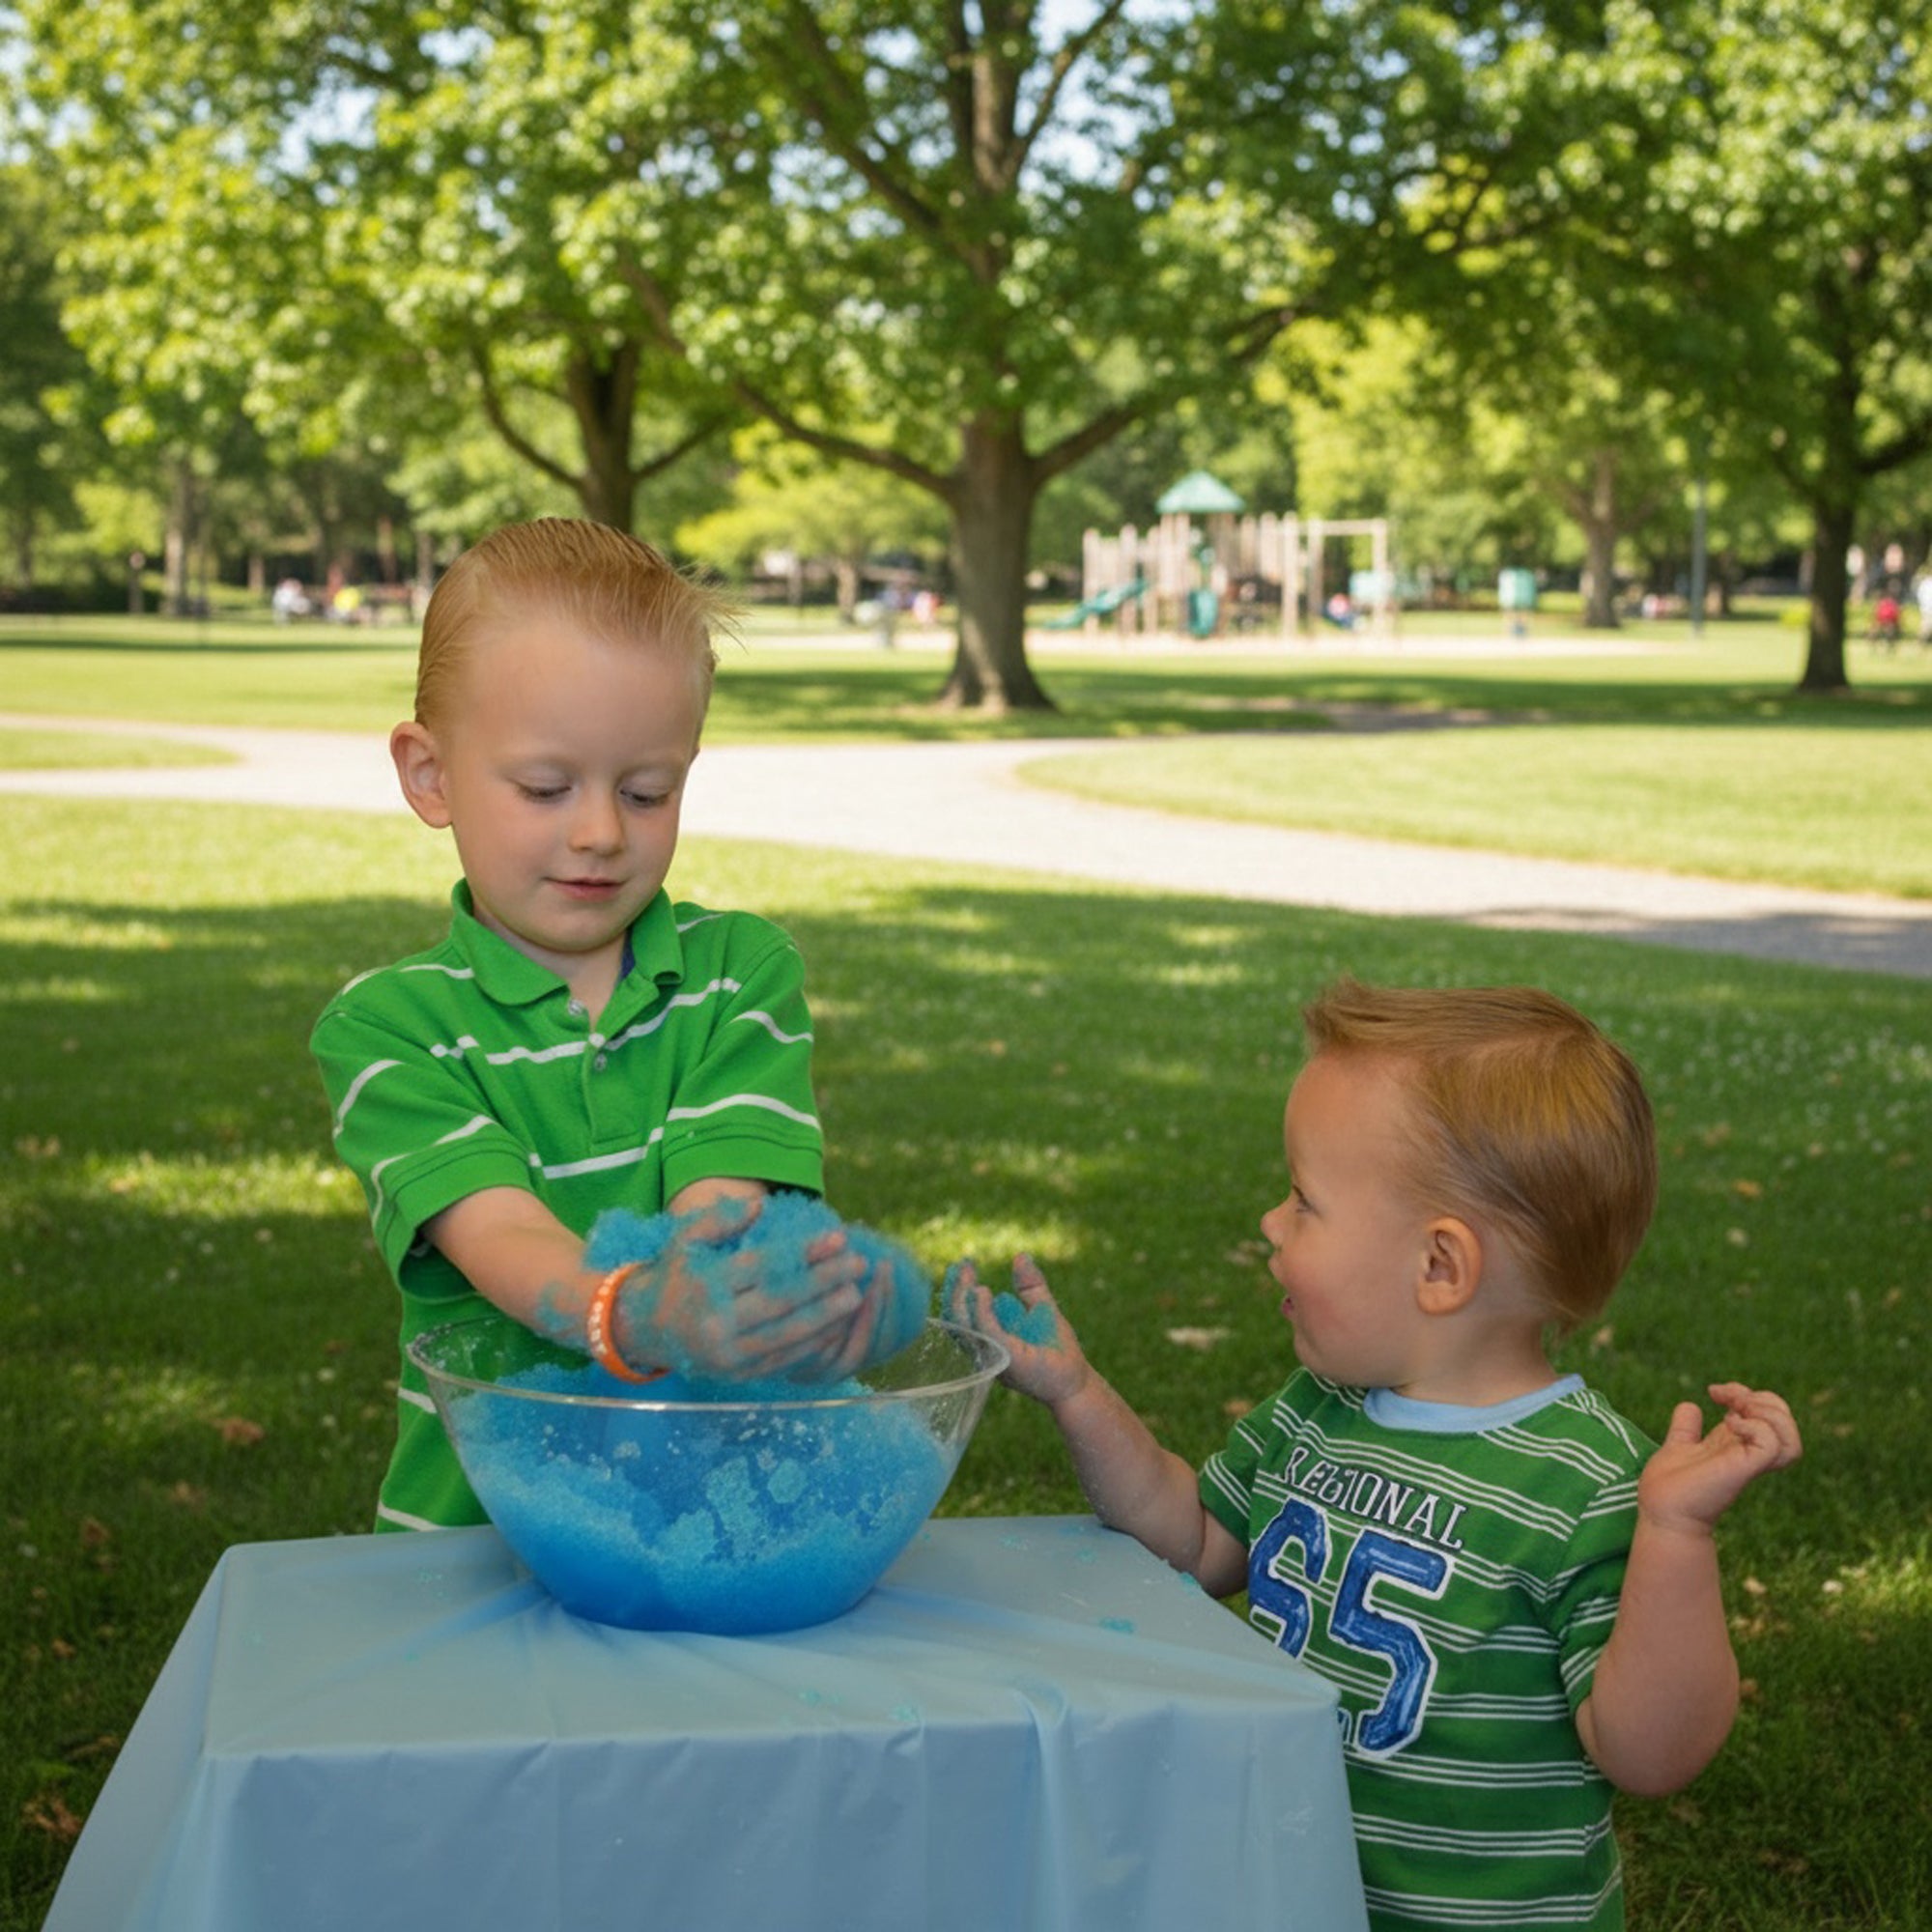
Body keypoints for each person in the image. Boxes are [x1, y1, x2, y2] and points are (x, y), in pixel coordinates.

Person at [949, 980, 1801, 1931]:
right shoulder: (1318, 1408)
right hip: (1286, 1888)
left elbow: (1648, 1752)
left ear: (1439, 1267)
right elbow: (1190, 1537)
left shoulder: (1584, 1482)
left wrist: (1674, 1532)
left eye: (1304, 1200)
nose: (1270, 1221)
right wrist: (1076, 1391)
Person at [311, 518, 890, 1533]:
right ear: (429, 775)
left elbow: (721, 1207)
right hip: (482, 1526)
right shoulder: (389, 1029)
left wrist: (767, 1303)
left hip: (711, 1514)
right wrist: (634, 1309)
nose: (599, 832)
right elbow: (498, 1231)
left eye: (645, 789)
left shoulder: (737, 975)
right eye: (545, 786)